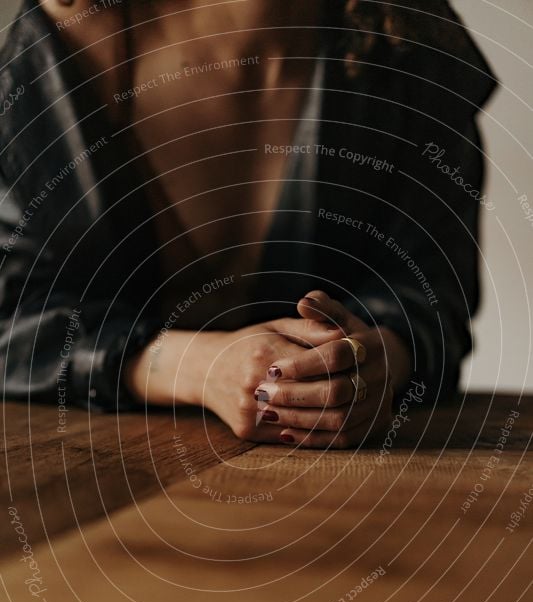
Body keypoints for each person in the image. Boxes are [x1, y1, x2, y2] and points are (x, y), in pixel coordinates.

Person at [0, 0, 496, 448]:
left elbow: (434, 297)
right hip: (83, 474)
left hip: (349, 486)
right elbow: (11, 321)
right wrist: (195, 367)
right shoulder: (69, 39)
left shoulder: (406, 42)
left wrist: (378, 360)